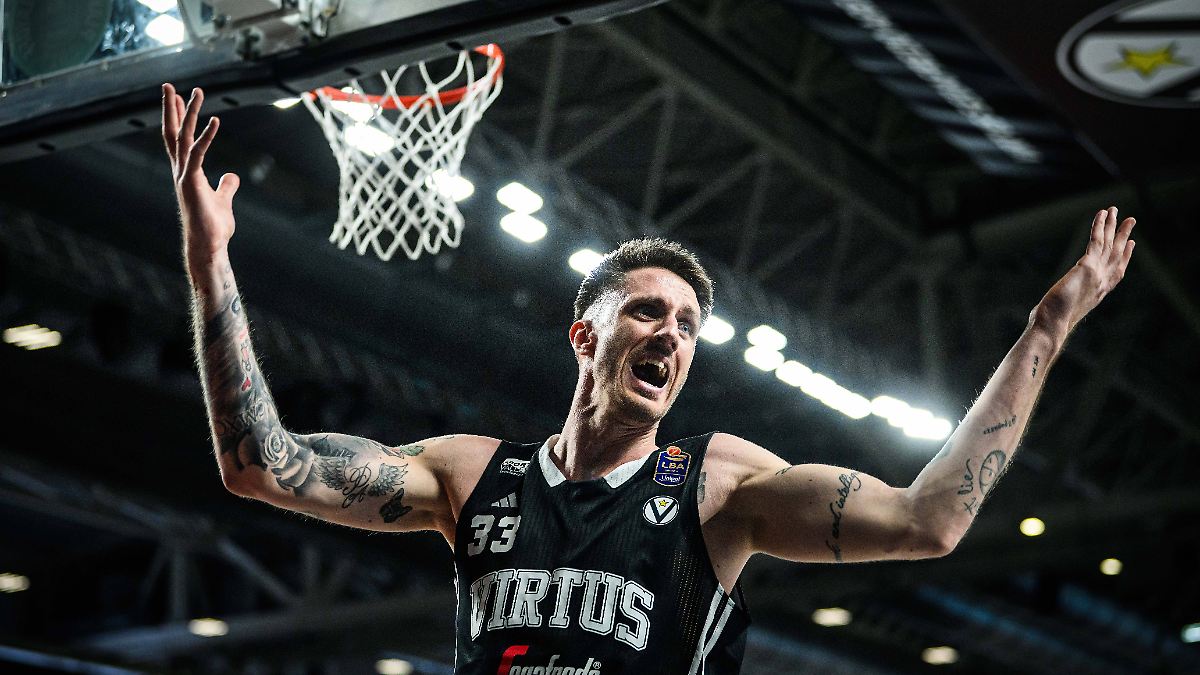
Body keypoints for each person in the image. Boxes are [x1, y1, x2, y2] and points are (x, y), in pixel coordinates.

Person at [162, 83, 1137, 674]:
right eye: (647, 311)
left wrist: (1046, 329)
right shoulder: (472, 475)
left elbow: (930, 521)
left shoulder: (717, 486)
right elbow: (263, 466)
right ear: (584, 335)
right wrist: (210, 267)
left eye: (687, 325)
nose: (671, 333)